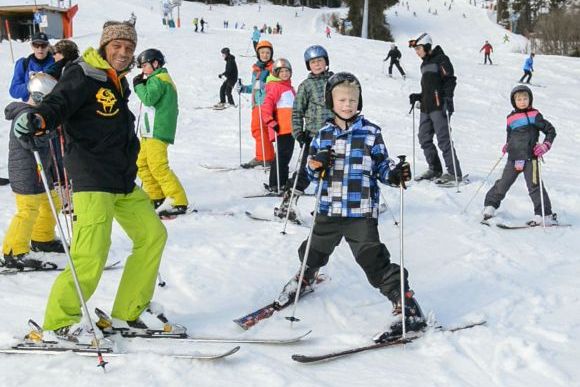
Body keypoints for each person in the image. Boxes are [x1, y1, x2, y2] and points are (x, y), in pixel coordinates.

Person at [14, 21, 169, 346]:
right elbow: (59, 103)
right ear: (104, 46)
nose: (124, 53)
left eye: (129, 48)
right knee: (91, 253)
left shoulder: (117, 82)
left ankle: (128, 312)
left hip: (121, 179)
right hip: (92, 176)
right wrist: (40, 118)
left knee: (153, 235)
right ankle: (59, 323)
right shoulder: (83, 72)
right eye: (117, 46)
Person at [276, 72, 425, 337]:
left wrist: (394, 173)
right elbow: (310, 174)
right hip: (328, 209)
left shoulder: (370, 132)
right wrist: (315, 164)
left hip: (360, 212)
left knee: (373, 258)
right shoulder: (322, 135)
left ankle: (406, 304)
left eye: (353, 100)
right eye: (342, 99)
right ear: (330, 102)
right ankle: (307, 276)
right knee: (314, 249)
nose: (348, 104)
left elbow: (382, 164)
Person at [2, 73, 64, 271]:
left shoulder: (35, 114)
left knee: (51, 202)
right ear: (39, 97)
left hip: (39, 170)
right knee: (28, 210)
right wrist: (49, 132)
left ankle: (42, 238)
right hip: (25, 171)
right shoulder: (25, 115)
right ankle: (12, 252)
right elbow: (30, 141)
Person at [483, 85, 557, 225]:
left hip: (531, 158)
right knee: (503, 183)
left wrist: (545, 145)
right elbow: (510, 134)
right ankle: (490, 205)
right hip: (514, 158)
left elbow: (551, 131)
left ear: (530, 100)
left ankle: (544, 214)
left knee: (534, 186)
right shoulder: (510, 118)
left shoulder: (535, 115)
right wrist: (508, 144)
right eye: (519, 99)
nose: (522, 101)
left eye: (525, 98)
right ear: (514, 101)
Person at [274, 45, 334, 220]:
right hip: (314, 136)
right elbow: (297, 111)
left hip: (337, 135)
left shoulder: (335, 81)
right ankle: (287, 204)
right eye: (313, 62)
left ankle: (326, 206)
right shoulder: (306, 85)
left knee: (335, 172)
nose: (317, 65)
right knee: (305, 172)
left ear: (326, 62)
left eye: (320, 61)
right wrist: (298, 133)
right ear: (308, 65)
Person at [134, 48, 189, 217]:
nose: (143, 70)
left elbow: (149, 99)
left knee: (158, 166)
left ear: (155, 63)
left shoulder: (159, 79)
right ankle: (156, 197)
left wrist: (138, 86)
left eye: (145, 66)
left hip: (157, 130)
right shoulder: (155, 78)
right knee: (142, 164)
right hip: (149, 131)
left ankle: (176, 200)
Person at [408, 33, 463, 184]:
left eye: (419, 48)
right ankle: (435, 169)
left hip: (440, 106)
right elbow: (429, 89)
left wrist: (447, 99)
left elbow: (450, 80)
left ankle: (454, 173)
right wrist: (418, 96)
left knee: (443, 139)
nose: (417, 52)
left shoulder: (441, 59)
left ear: (426, 46)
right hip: (427, 107)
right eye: (416, 49)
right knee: (423, 137)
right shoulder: (424, 65)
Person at [236, 40, 275, 168]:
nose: (265, 55)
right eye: (262, 52)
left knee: (261, 130)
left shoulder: (273, 69)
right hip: (256, 104)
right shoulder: (257, 69)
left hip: (265, 104)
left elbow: (276, 85)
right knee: (257, 131)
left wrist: (265, 86)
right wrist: (243, 88)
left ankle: (264, 157)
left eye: (267, 52)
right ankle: (265, 156)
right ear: (258, 54)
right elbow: (255, 87)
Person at [261, 58, 296, 193]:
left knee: (286, 157)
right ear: (276, 73)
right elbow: (266, 107)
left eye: (287, 71)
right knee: (281, 157)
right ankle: (275, 183)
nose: (285, 74)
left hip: (291, 128)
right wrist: (271, 122)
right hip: (281, 128)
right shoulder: (275, 87)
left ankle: (283, 182)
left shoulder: (290, 88)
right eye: (281, 71)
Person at [9, 32, 54, 102]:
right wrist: (32, 84)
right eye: (36, 45)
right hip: (31, 106)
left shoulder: (56, 62)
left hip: (52, 106)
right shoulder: (23, 63)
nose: (40, 49)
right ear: (32, 46)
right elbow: (14, 91)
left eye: (43, 45)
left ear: (48, 46)